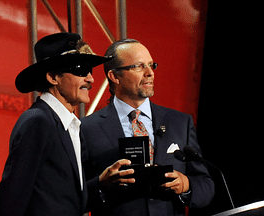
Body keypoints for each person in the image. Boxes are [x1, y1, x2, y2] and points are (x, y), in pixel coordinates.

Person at [81, 39, 214, 216]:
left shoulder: (180, 122)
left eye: (151, 65)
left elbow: (206, 186)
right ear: (114, 76)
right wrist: (102, 184)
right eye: (139, 66)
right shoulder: (86, 129)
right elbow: (73, 197)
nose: (150, 73)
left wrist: (186, 185)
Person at [0, 32, 111, 216]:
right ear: (53, 77)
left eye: (90, 70)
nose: (90, 79)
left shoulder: (72, 127)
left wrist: (103, 182)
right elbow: (11, 199)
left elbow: (67, 200)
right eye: (80, 69)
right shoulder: (37, 121)